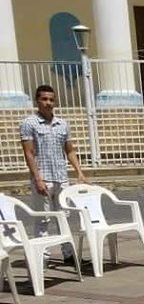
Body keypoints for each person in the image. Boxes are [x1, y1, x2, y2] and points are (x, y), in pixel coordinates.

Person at [19, 84, 87, 263]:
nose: (48, 103)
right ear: (37, 101)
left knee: (64, 216)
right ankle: (43, 256)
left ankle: (68, 254)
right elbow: (29, 153)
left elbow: (69, 150)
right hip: (43, 178)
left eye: (51, 99)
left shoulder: (62, 124)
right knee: (43, 218)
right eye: (44, 99)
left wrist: (79, 172)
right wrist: (37, 178)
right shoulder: (29, 123)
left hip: (61, 178)